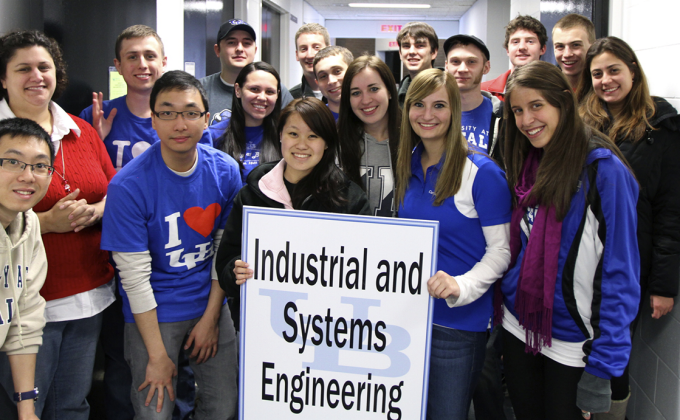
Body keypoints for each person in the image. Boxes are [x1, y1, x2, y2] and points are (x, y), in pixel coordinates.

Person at [498, 60, 640, 420]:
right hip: (520, 327)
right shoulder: (531, 159)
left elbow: (621, 275)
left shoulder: (603, 169)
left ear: (563, 101)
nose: (526, 120)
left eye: (536, 106)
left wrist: (604, 365)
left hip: (573, 344)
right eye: (517, 110)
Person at [101, 70, 241, 419]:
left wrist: (210, 318)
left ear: (206, 119)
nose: (180, 123)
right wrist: (156, 355)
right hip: (153, 312)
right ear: (153, 118)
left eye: (191, 112)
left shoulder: (225, 171)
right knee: (154, 410)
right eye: (167, 112)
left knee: (223, 407)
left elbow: (224, 250)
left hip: (210, 303)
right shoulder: (127, 186)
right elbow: (133, 277)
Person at [0, 29, 117, 420]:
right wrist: (45, 223)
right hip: (27, 305)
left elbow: (112, 188)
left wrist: (96, 212)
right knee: (23, 407)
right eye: (23, 69)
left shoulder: (81, 131)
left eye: (44, 67)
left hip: (89, 296)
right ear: (3, 78)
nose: (36, 76)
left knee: (72, 406)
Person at [395, 68, 512, 420]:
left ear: (454, 110)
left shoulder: (482, 172)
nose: (427, 115)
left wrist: (461, 285)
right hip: (408, 321)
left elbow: (502, 251)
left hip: (457, 327)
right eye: (419, 104)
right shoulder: (407, 164)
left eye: (439, 105)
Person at [577, 36, 680, 419]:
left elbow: (671, 210)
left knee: (612, 354)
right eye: (597, 73)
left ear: (633, 71)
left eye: (614, 70)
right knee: (580, 349)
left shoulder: (662, 128)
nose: (606, 80)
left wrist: (663, 286)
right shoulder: (582, 123)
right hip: (582, 261)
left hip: (629, 265)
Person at [215, 97, 370, 327]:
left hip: (327, 326)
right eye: (293, 134)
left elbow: (365, 270)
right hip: (262, 325)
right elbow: (226, 261)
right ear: (280, 135)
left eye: (313, 136)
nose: (301, 145)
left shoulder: (350, 198)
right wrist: (235, 270)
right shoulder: (252, 195)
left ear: (327, 142)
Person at [0, 118, 53, 420]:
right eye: (12, 162)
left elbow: (25, 318)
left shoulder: (28, 222)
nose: (28, 176)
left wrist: (26, 408)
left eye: (40, 166)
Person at [338, 55, 401, 217]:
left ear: (390, 91)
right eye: (356, 93)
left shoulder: (414, 139)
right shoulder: (335, 143)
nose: (366, 100)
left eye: (373, 89)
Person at [200, 19, 293, 124]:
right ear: (218, 50)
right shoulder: (199, 89)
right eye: (231, 42)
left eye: (246, 43)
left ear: (255, 50)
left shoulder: (274, 91)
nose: (239, 48)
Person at [216, 61, 282, 184]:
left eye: (270, 92)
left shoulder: (285, 136)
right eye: (254, 89)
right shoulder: (213, 136)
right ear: (238, 90)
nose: (262, 97)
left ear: (277, 95)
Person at [444, 34, 503, 156]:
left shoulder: (503, 115)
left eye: (471, 62)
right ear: (446, 66)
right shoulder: (431, 113)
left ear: (486, 67)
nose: (462, 69)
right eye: (455, 62)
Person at [481, 15, 547, 101]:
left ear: (542, 49)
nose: (522, 47)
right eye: (515, 42)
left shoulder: (556, 89)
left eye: (530, 41)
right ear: (507, 50)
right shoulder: (483, 92)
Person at [396, 22, 439, 108]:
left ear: (433, 52)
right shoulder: (398, 95)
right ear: (400, 54)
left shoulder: (448, 88)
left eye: (420, 46)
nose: (412, 51)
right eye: (406, 46)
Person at [553, 14, 595, 90]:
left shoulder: (603, 89)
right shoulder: (546, 91)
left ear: (592, 47)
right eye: (560, 46)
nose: (567, 54)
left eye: (575, 45)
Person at [290, 23, 330, 100]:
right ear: (297, 55)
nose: (310, 55)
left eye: (316, 47)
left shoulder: (346, 94)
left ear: (329, 51)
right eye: (304, 49)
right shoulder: (290, 98)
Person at [313, 46, 353, 121]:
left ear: (352, 71)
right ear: (317, 83)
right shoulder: (313, 120)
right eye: (323, 76)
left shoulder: (369, 113)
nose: (331, 81)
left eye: (337, 71)